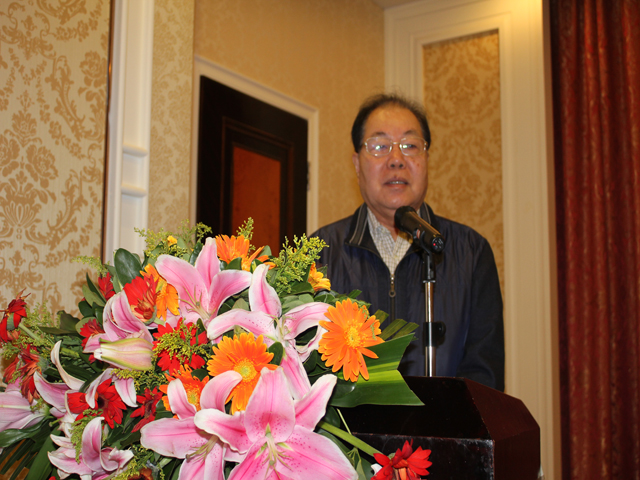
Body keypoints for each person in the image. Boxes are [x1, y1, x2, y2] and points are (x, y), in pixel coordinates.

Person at [312, 93, 505, 391]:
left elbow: (485, 381)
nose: (396, 160)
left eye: (410, 146)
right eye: (380, 146)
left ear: (427, 160)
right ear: (357, 164)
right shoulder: (320, 252)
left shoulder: (472, 252)